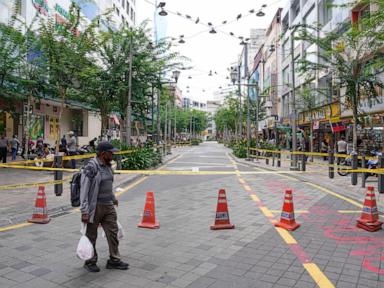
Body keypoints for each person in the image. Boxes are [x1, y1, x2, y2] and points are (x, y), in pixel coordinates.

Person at [80, 141, 129, 273]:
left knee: (113, 233)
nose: (113, 155)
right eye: (110, 152)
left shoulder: (108, 167)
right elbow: (84, 190)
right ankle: (90, 261)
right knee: (91, 235)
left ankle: (114, 260)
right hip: (94, 207)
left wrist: (113, 198)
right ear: (103, 154)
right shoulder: (91, 167)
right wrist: (84, 211)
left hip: (108, 206)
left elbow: (108, 185)